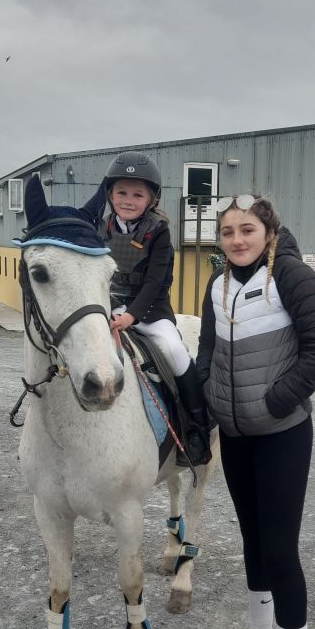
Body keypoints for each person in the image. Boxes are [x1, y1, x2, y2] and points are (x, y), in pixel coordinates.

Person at [196, 193, 315, 629]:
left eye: (247, 230)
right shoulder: (218, 285)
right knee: (253, 544)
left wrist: (278, 401)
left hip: (282, 435)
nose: (237, 239)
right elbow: (208, 352)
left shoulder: (293, 277)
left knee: (281, 554)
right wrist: (207, 402)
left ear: (268, 231)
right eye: (228, 231)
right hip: (235, 439)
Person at [78, 151, 211, 466]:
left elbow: (154, 282)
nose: (128, 199)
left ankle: (197, 428)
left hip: (149, 311)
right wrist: (108, 309)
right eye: (121, 192)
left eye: (137, 194)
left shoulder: (159, 231)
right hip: (109, 306)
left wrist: (130, 316)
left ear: (151, 199)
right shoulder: (101, 227)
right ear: (110, 194)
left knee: (175, 351)